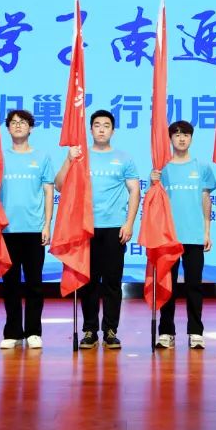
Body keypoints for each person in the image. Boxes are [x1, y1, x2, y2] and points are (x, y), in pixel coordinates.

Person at [54, 109, 140, 350]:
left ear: (113, 130)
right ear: (91, 130)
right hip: (85, 228)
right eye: (97, 125)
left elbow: (135, 190)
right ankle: (90, 330)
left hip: (114, 228)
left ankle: (111, 330)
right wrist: (69, 159)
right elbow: (59, 185)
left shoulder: (124, 158)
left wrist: (129, 223)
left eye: (106, 125)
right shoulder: (80, 156)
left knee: (112, 282)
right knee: (88, 282)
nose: (101, 129)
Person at [152, 120, 215, 350]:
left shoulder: (202, 167)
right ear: (170, 139)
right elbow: (154, 203)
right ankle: (166, 332)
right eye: (177, 135)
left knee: (194, 286)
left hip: (194, 236)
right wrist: (153, 182)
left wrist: (207, 231)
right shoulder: (162, 169)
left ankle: (196, 332)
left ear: (191, 138)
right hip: (168, 237)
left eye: (186, 135)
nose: (181, 139)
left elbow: (206, 199)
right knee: (167, 286)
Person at [0, 109, 55, 349]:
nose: (18, 125)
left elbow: (49, 192)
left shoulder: (41, 157)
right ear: (8, 128)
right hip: (6, 230)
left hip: (33, 229)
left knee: (34, 284)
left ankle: (33, 331)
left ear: (30, 128)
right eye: (13, 122)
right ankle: (12, 332)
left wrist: (47, 224)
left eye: (23, 122)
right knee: (10, 284)